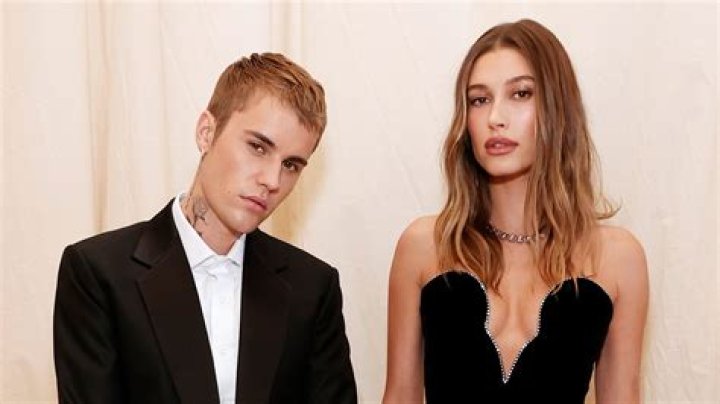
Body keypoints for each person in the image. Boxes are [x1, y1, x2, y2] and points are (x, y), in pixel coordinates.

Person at [53, 53, 357, 404]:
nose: (272, 180)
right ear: (206, 133)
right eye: (258, 147)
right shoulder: (98, 273)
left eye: (291, 165)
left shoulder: (312, 288)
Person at [382, 19, 648, 403]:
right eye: (479, 99)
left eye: (521, 94)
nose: (496, 118)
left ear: (558, 109)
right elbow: (400, 395)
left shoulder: (617, 259)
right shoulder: (424, 247)